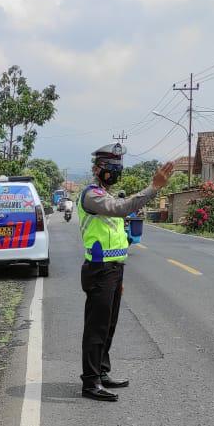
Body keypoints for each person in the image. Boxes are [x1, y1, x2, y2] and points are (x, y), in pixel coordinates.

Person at [76, 144, 175, 402]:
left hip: (113, 270)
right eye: (112, 169)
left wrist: (119, 276)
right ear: (99, 170)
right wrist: (154, 187)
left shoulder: (105, 194)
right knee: (96, 328)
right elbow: (121, 208)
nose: (116, 173)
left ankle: (102, 372)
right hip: (99, 270)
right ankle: (90, 382)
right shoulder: (92, 196)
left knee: (109, 326)